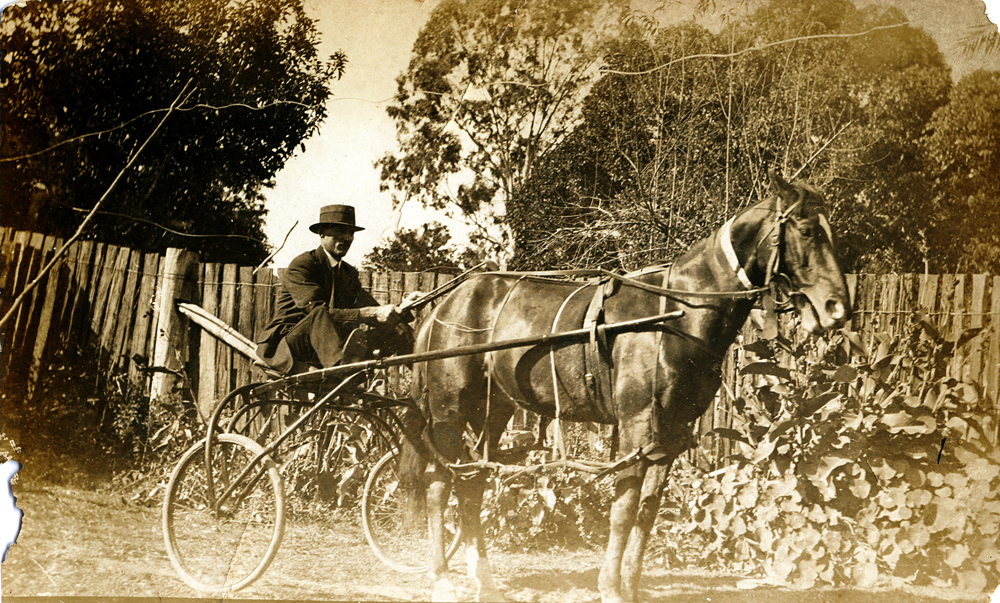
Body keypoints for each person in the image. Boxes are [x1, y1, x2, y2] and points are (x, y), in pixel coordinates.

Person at [255, 204, 412, 375]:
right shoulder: (303, 265)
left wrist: (402, 307)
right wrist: (370, 312)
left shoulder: (348, 272)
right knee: (320, 313)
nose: (346, 238)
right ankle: (342, 373)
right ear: (322, 234)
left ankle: (424, 376)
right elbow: (317, 312)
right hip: (289, 345)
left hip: (330, 346)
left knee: (397, 328)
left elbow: (375, 310)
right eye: (339, 231)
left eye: (350, 233)